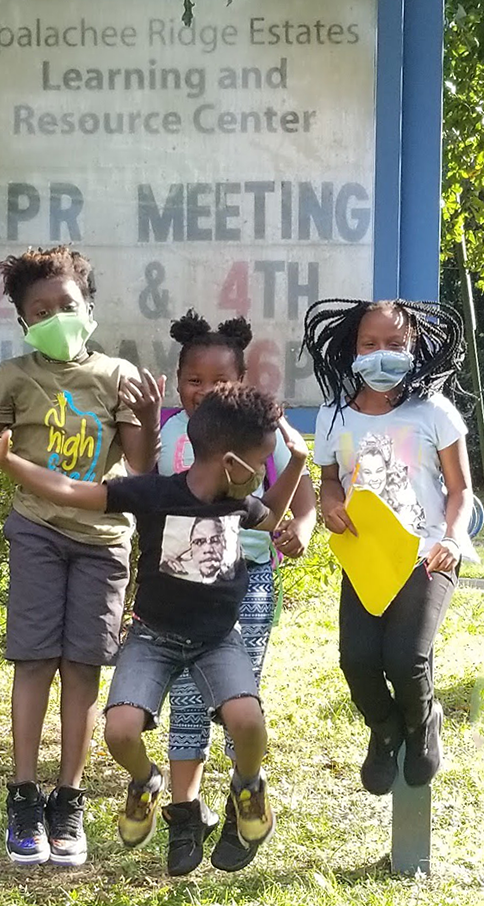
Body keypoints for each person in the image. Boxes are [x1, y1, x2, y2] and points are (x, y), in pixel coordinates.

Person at [0, 381, 309, 873]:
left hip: (217, 640)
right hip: (152, 638)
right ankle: (145, 781)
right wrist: (4, 461)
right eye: (262, 461)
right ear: (231, 463)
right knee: (120, 731)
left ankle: (248, 786)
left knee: (248, 719)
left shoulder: (237, 500)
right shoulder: (155, 493)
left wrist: (295, 462)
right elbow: (71, 490)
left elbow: (270, 516)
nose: (260, 474)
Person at [0, 245, 162, 868]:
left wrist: (150, 416)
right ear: (24, 321)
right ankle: (23, 795)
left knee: (83, 668)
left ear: (90, 307)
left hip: (105, 541)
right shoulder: (12, 376)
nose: (58, 315)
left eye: (68, 304)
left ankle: (69, 797)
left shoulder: (118, 375)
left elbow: (139, 468)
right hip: (35, 532)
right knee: (33, 662)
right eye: (42, 309)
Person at [151, 310, 316, 874]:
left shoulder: (257, 433)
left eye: (220, 381)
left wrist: (301, 528)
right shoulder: (169, 432)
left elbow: (301, 499)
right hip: (181, 583)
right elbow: (142, 491)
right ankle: (183, 812)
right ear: (178, 382)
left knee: (237, 695)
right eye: (194, 380)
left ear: (242, 382)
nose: (205, 391)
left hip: (246, 579)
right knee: (187, 697)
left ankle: (244, 796)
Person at [305, 299, 476, 796]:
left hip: (428, 554)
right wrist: (331, 501)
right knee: (356, 661)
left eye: (396, 345)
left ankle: (423, 722)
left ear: (415, 348)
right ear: (351, 348)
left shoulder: (436, 412)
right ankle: (383, 731)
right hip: (366, 557)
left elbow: (461, 490)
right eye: (370, 344)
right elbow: (329, 480)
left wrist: (450, 538)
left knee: (405, 660)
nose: (382, 354)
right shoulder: (333, 415)